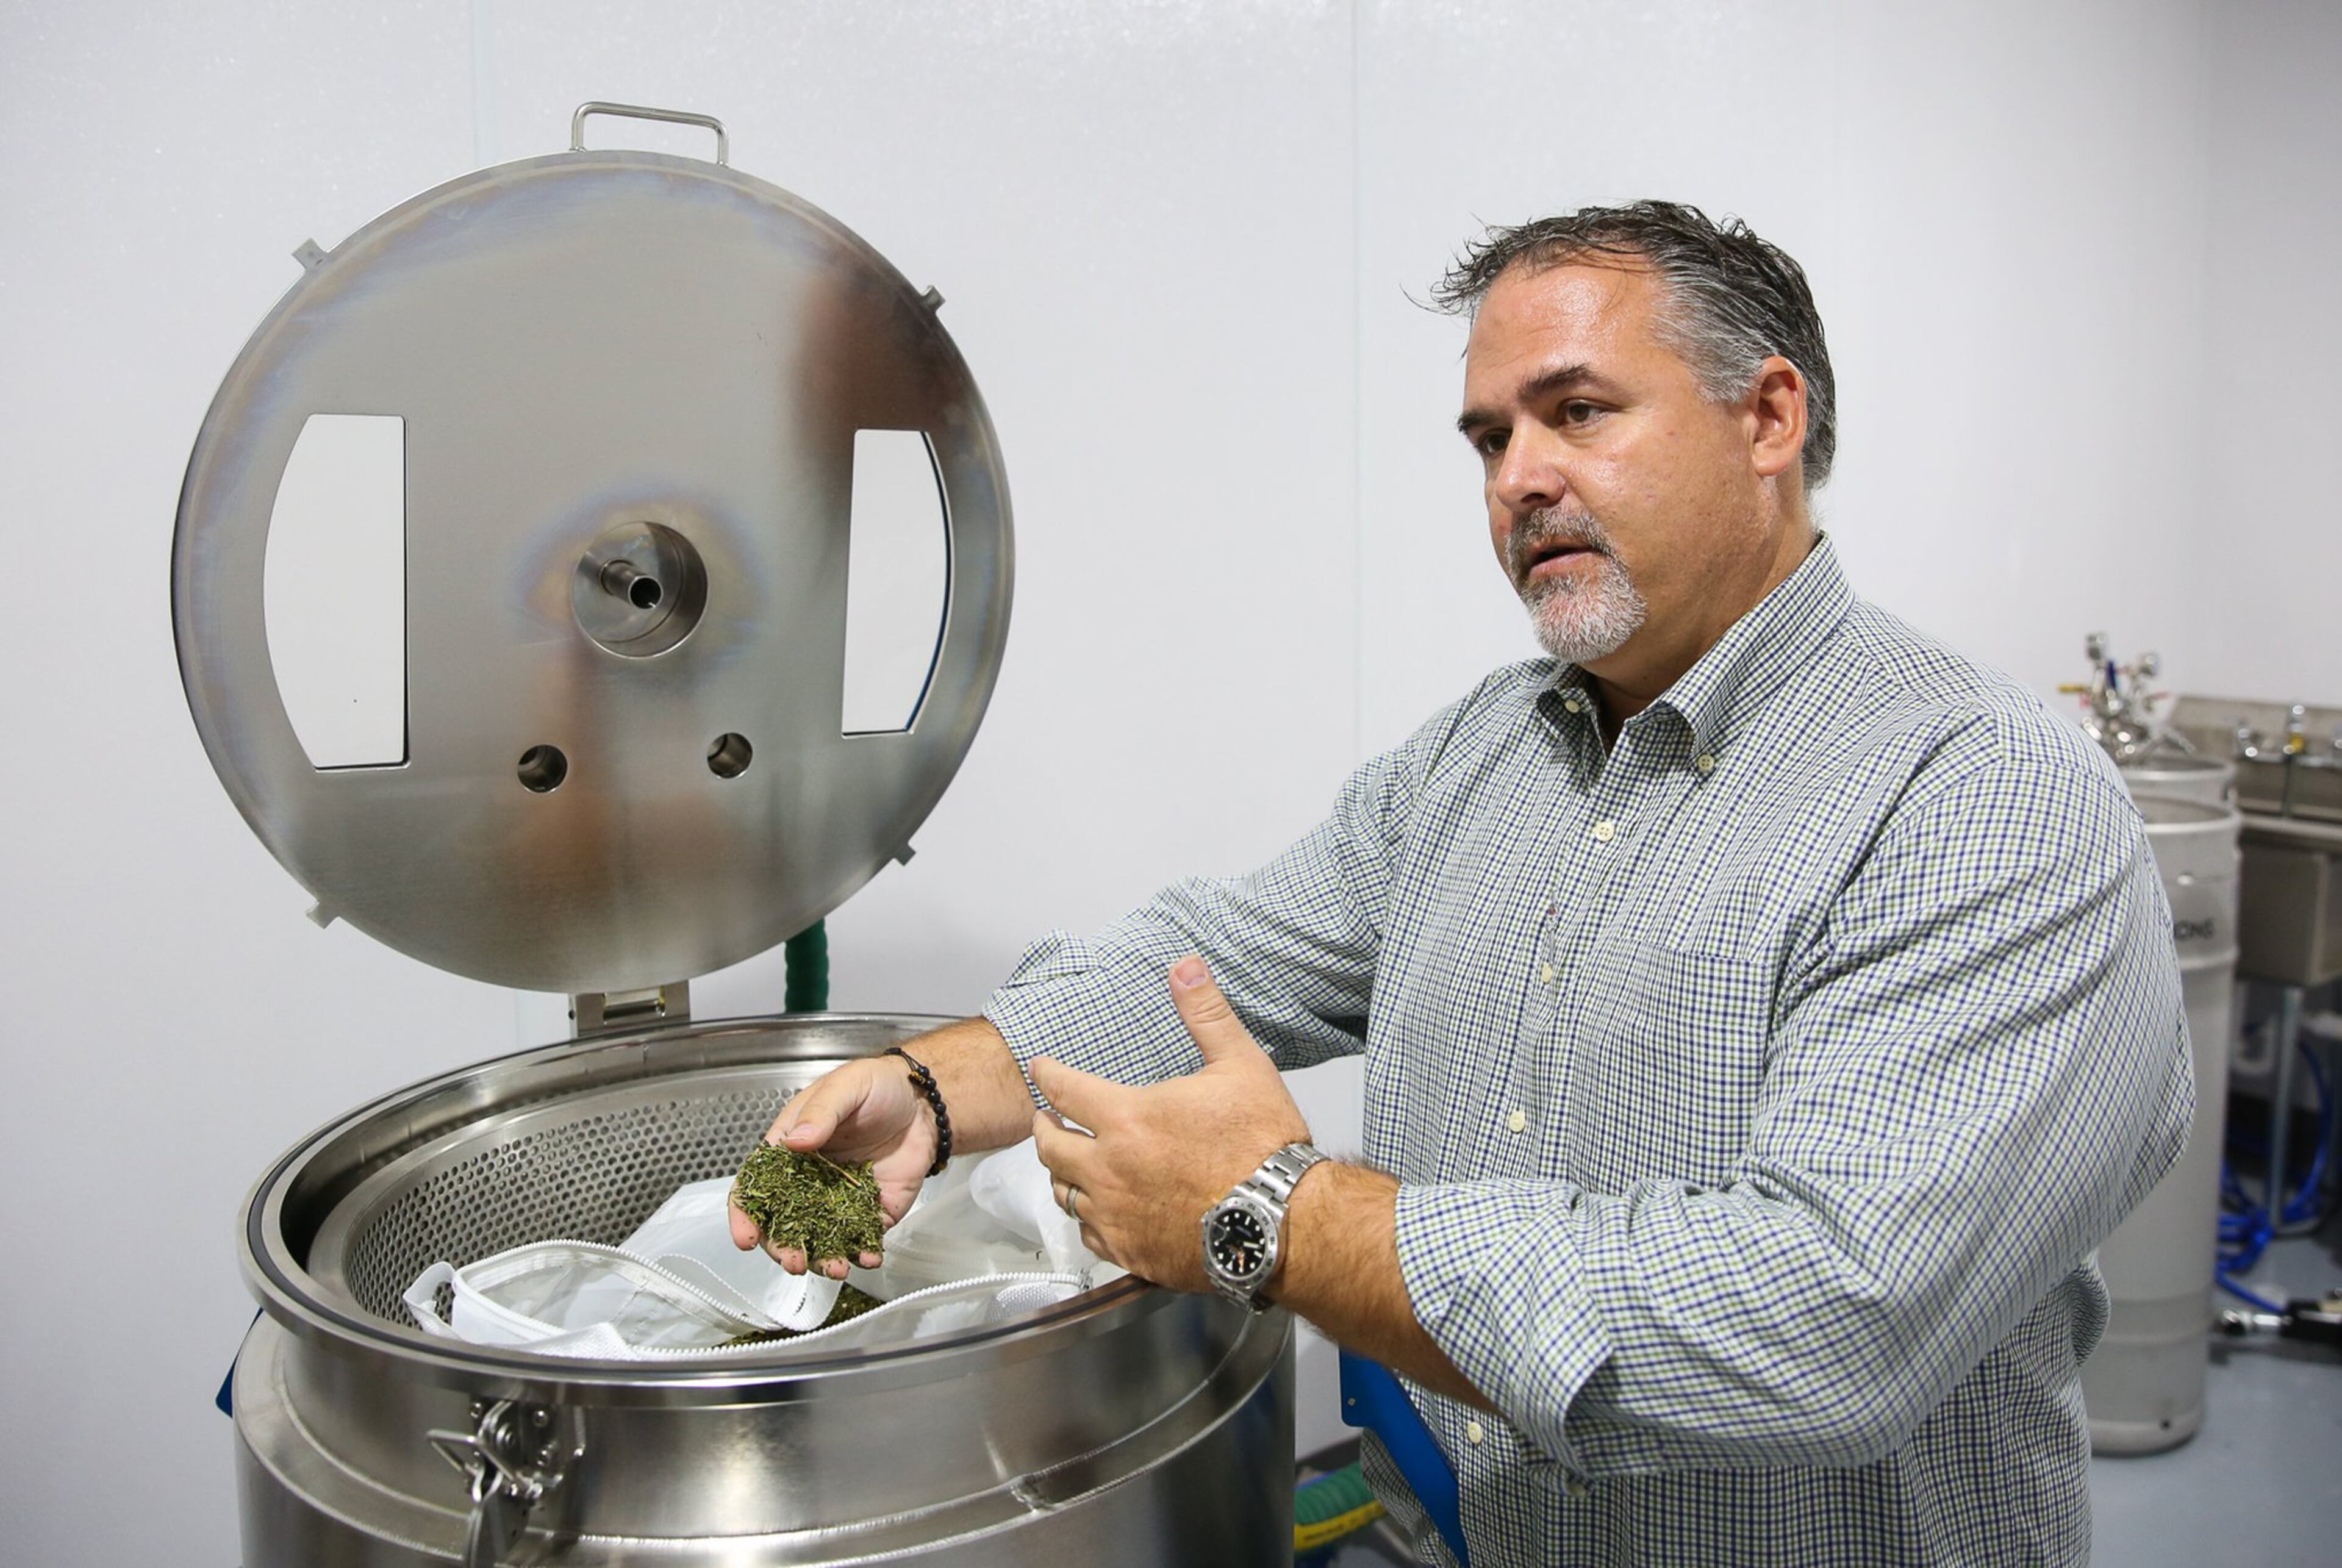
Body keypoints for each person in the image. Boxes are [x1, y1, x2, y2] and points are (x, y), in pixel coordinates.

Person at [732, 200, 2190, 1566]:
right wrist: (938, 1085)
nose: (1517, 480)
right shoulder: (1483, 753)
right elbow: (1218, 959)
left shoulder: (1981, 794)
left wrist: (1281, 1219)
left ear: (1768, 418)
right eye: (1491, 436)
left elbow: (1827, 1317)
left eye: (1579, 411)